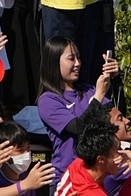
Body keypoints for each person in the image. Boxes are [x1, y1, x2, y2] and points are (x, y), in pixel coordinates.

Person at [37, 36, 119, 187]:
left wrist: (115, 79)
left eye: (78, 58)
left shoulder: (89, 91)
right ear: (54, 62)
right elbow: (78, 128)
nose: (77, 64)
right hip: (68, 178)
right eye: (71, 59)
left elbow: (116, 119)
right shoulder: (48, 100)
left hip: (97, 176)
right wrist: (99, 96)